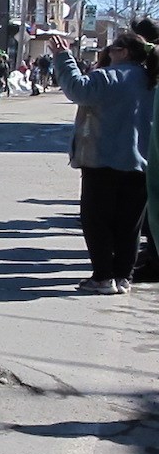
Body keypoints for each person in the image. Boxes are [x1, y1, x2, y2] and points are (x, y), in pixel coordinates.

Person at [53, 32, 157, 295]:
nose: (107, 53)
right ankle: (123, 276)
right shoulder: (151, 81)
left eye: (111, 49)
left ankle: (102, 276)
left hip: (102, 160)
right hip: (142, 163)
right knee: (129, 225)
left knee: (97, 221)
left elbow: (77, 89)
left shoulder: (108, 77)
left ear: (124, 52)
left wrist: (63, 58)